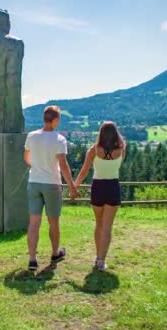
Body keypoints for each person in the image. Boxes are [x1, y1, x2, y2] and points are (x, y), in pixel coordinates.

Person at [24, 105, 79, 271]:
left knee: (34, 223)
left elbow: (26, 158)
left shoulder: (32, 136)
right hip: (52, 184)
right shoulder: (59, 139)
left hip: (34, 182)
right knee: (53, 222)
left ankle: (32, 259)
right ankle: (55, 253)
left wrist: (37, 167)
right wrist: (72, 187)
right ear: (55, 120)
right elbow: (63, 165)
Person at [74, 121, 126, 271]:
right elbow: (118, 166)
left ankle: (98, 256)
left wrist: (74, 185)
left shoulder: (93, 150)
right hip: (113, 186)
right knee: (108, 227)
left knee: (99, 224)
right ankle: (101, 260)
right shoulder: (122, 149)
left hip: (98, 187)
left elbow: (84, 171)